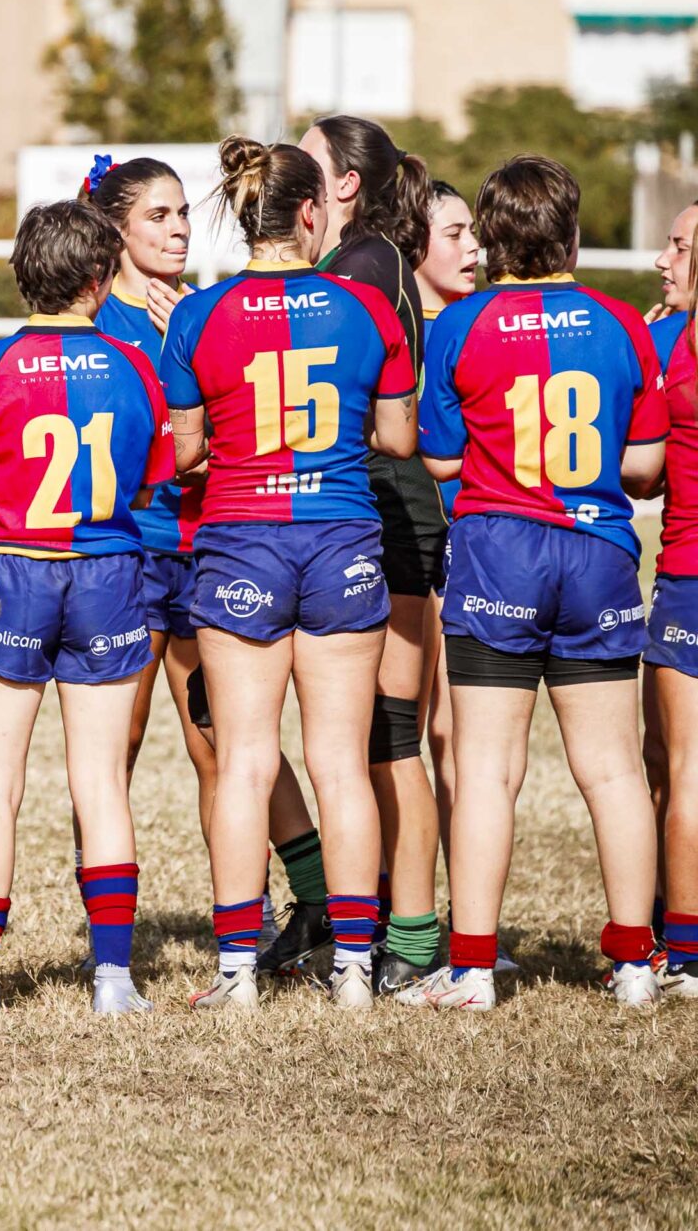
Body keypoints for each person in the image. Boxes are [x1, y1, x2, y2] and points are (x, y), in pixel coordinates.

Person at [161, 137, 415, 1011]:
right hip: (341, 537)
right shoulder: (364, 306)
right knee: (341, 762)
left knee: (242, 761)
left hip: (242, 541)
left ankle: (236, 970)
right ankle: (355, 968)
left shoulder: (198, 314)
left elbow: (185, 451)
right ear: (311, 211)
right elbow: (399, 438)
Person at [409, 155, 664, 1010]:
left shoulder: (460, 323)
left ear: (490, 238)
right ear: (574, 234)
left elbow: (440, 457)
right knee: (613, 770)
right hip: (598, 552)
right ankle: (634, 962)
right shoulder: (623, 321)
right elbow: (645, 464)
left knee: (486, 769)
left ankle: (473, 967)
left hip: (500, 551)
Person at [85, 156, 327, 970]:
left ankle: (291, 905)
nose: (180, 228)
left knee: (222, 740)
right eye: (158, 215)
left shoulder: (206, 311)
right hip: (128, 551)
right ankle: (108, 933)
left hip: (208, 548)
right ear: (115, 228)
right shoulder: (94, 319)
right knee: (112, 745)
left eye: (184, 212)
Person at [0, 200, 173, 1017]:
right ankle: (113, 978)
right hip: (107, 569)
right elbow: (150, 482)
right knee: (101, 781)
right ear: (99, 279)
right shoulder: (135, 363)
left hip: (13, 569)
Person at [300, 115, 442, 983]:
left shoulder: (363, 265)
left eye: (308, 157)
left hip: (390, 510)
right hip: (367, 508)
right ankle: (377, 919)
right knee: (363, 741)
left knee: (390, 739)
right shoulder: (354, 260)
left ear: (345, 182)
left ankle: (414, 942)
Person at [415, 178, 482, 967]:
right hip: (406, 554)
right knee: (408, 734)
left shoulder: (481, 325)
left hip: (480, 553)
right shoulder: (398, 328)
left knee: (456, 737)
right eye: (454, 233)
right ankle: (406, 919)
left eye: (475, 232)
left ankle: (473, 925)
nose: (473, 248)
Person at [647, 198, 698, 999]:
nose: (662, 258)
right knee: (664, 762)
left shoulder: (666, 343)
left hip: (687, 576)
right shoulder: (663, 335)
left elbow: (642, 474)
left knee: (682, 767)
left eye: (680, 246)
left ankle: (683, 950)